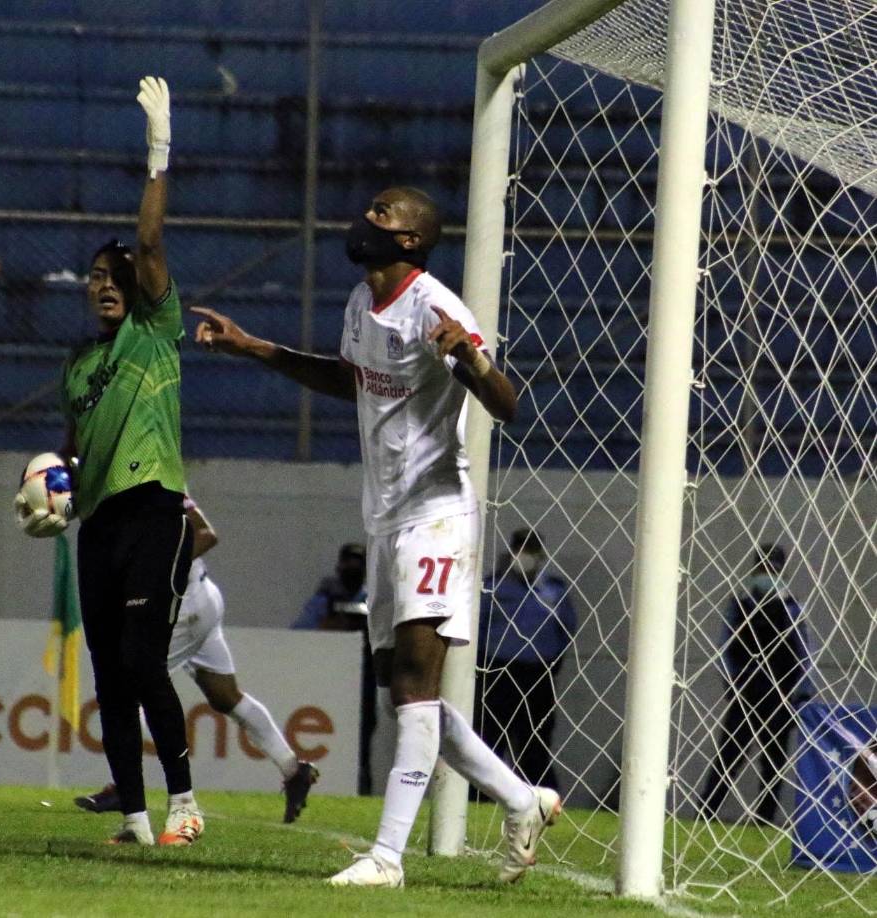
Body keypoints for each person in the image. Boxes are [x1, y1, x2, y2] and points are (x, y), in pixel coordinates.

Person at [193, 186, 562, 887]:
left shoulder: (437, 307)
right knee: (406, 691)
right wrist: (253, 347)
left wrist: (474, 361)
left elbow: (507, 405)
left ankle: (386, 857)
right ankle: (522, 799)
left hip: (438, 517)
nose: (365, 218)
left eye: (382, 213)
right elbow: (351, 380)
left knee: (417, 688)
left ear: (410, 242)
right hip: (386, 518)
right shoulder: (363, 302)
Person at [15, 78, 202, 847]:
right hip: (97, 525)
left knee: (141, 657)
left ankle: (185, 803)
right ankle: (133, 815)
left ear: (139, 289)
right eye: (95, 276)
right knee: (110, 676)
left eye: (116, 276)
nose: (104, 285)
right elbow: (72, 445)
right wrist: (41, 484)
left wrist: (157, 149)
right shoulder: (80, 364)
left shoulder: (156, 331)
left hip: (155, 509)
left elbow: (150, 245)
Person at [74, 495, 318, 823]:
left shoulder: (159, 485)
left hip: (183, 608)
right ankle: (293, 770)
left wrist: (154, 577)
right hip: (198, 599)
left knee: (126, 692)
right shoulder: (135, 481)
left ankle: (125, 788)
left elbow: (205, 535)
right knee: (225, 696)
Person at [698, 543, 814, 824]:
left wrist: (800, 691)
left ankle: (754, 818)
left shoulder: (786, 606)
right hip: (758, 692)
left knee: (763, 762)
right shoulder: (747, 604)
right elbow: (804, 653)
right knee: (735, 758)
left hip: (771, 693)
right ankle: (710, 812)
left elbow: (803, 654)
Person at [477, 528, 576, 793]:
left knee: (535, 744)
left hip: (537, 675)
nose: (527, 557)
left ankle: (540, 798)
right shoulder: (492, 586)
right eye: (523, 551)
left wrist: (553, 662)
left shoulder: (553, 590)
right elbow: (478, 627)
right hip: (498, 672)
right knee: (489, 739)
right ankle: (482, 796)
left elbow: (567, 629)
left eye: (532, 551)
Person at [292, 543, 376, 795]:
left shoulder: (372, 599)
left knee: (362, 740)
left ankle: (362, 789)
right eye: (348, 562)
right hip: (328, 680)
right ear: (339, 565)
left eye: (358, 562)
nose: (353, 568)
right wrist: (330, 624)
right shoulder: (325, 598)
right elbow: (300, 632)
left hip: (363, 680)